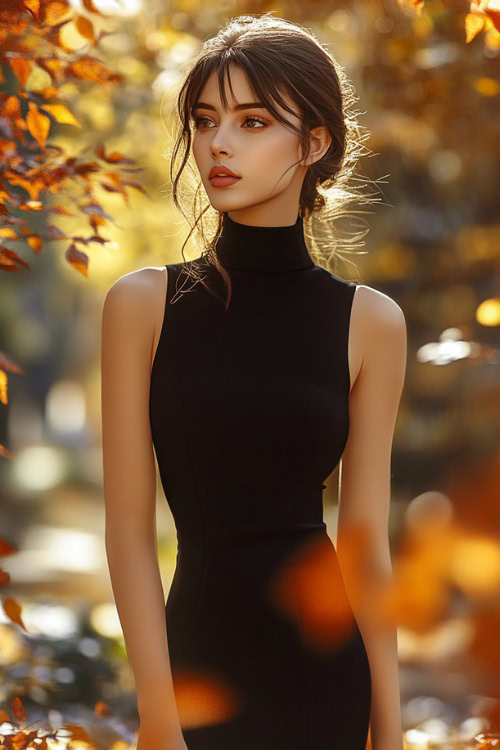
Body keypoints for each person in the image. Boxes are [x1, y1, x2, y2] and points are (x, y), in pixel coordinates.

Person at [101, 13, 407, 750]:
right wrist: (158, 715)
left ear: (314, 143)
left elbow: (364, 541)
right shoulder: (143, 305)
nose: (219, 143)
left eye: (253, 119)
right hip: (196, 672)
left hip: (327, 682)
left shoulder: (371, 322)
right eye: (205, 120)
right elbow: (128, 535)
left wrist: (391, 731)